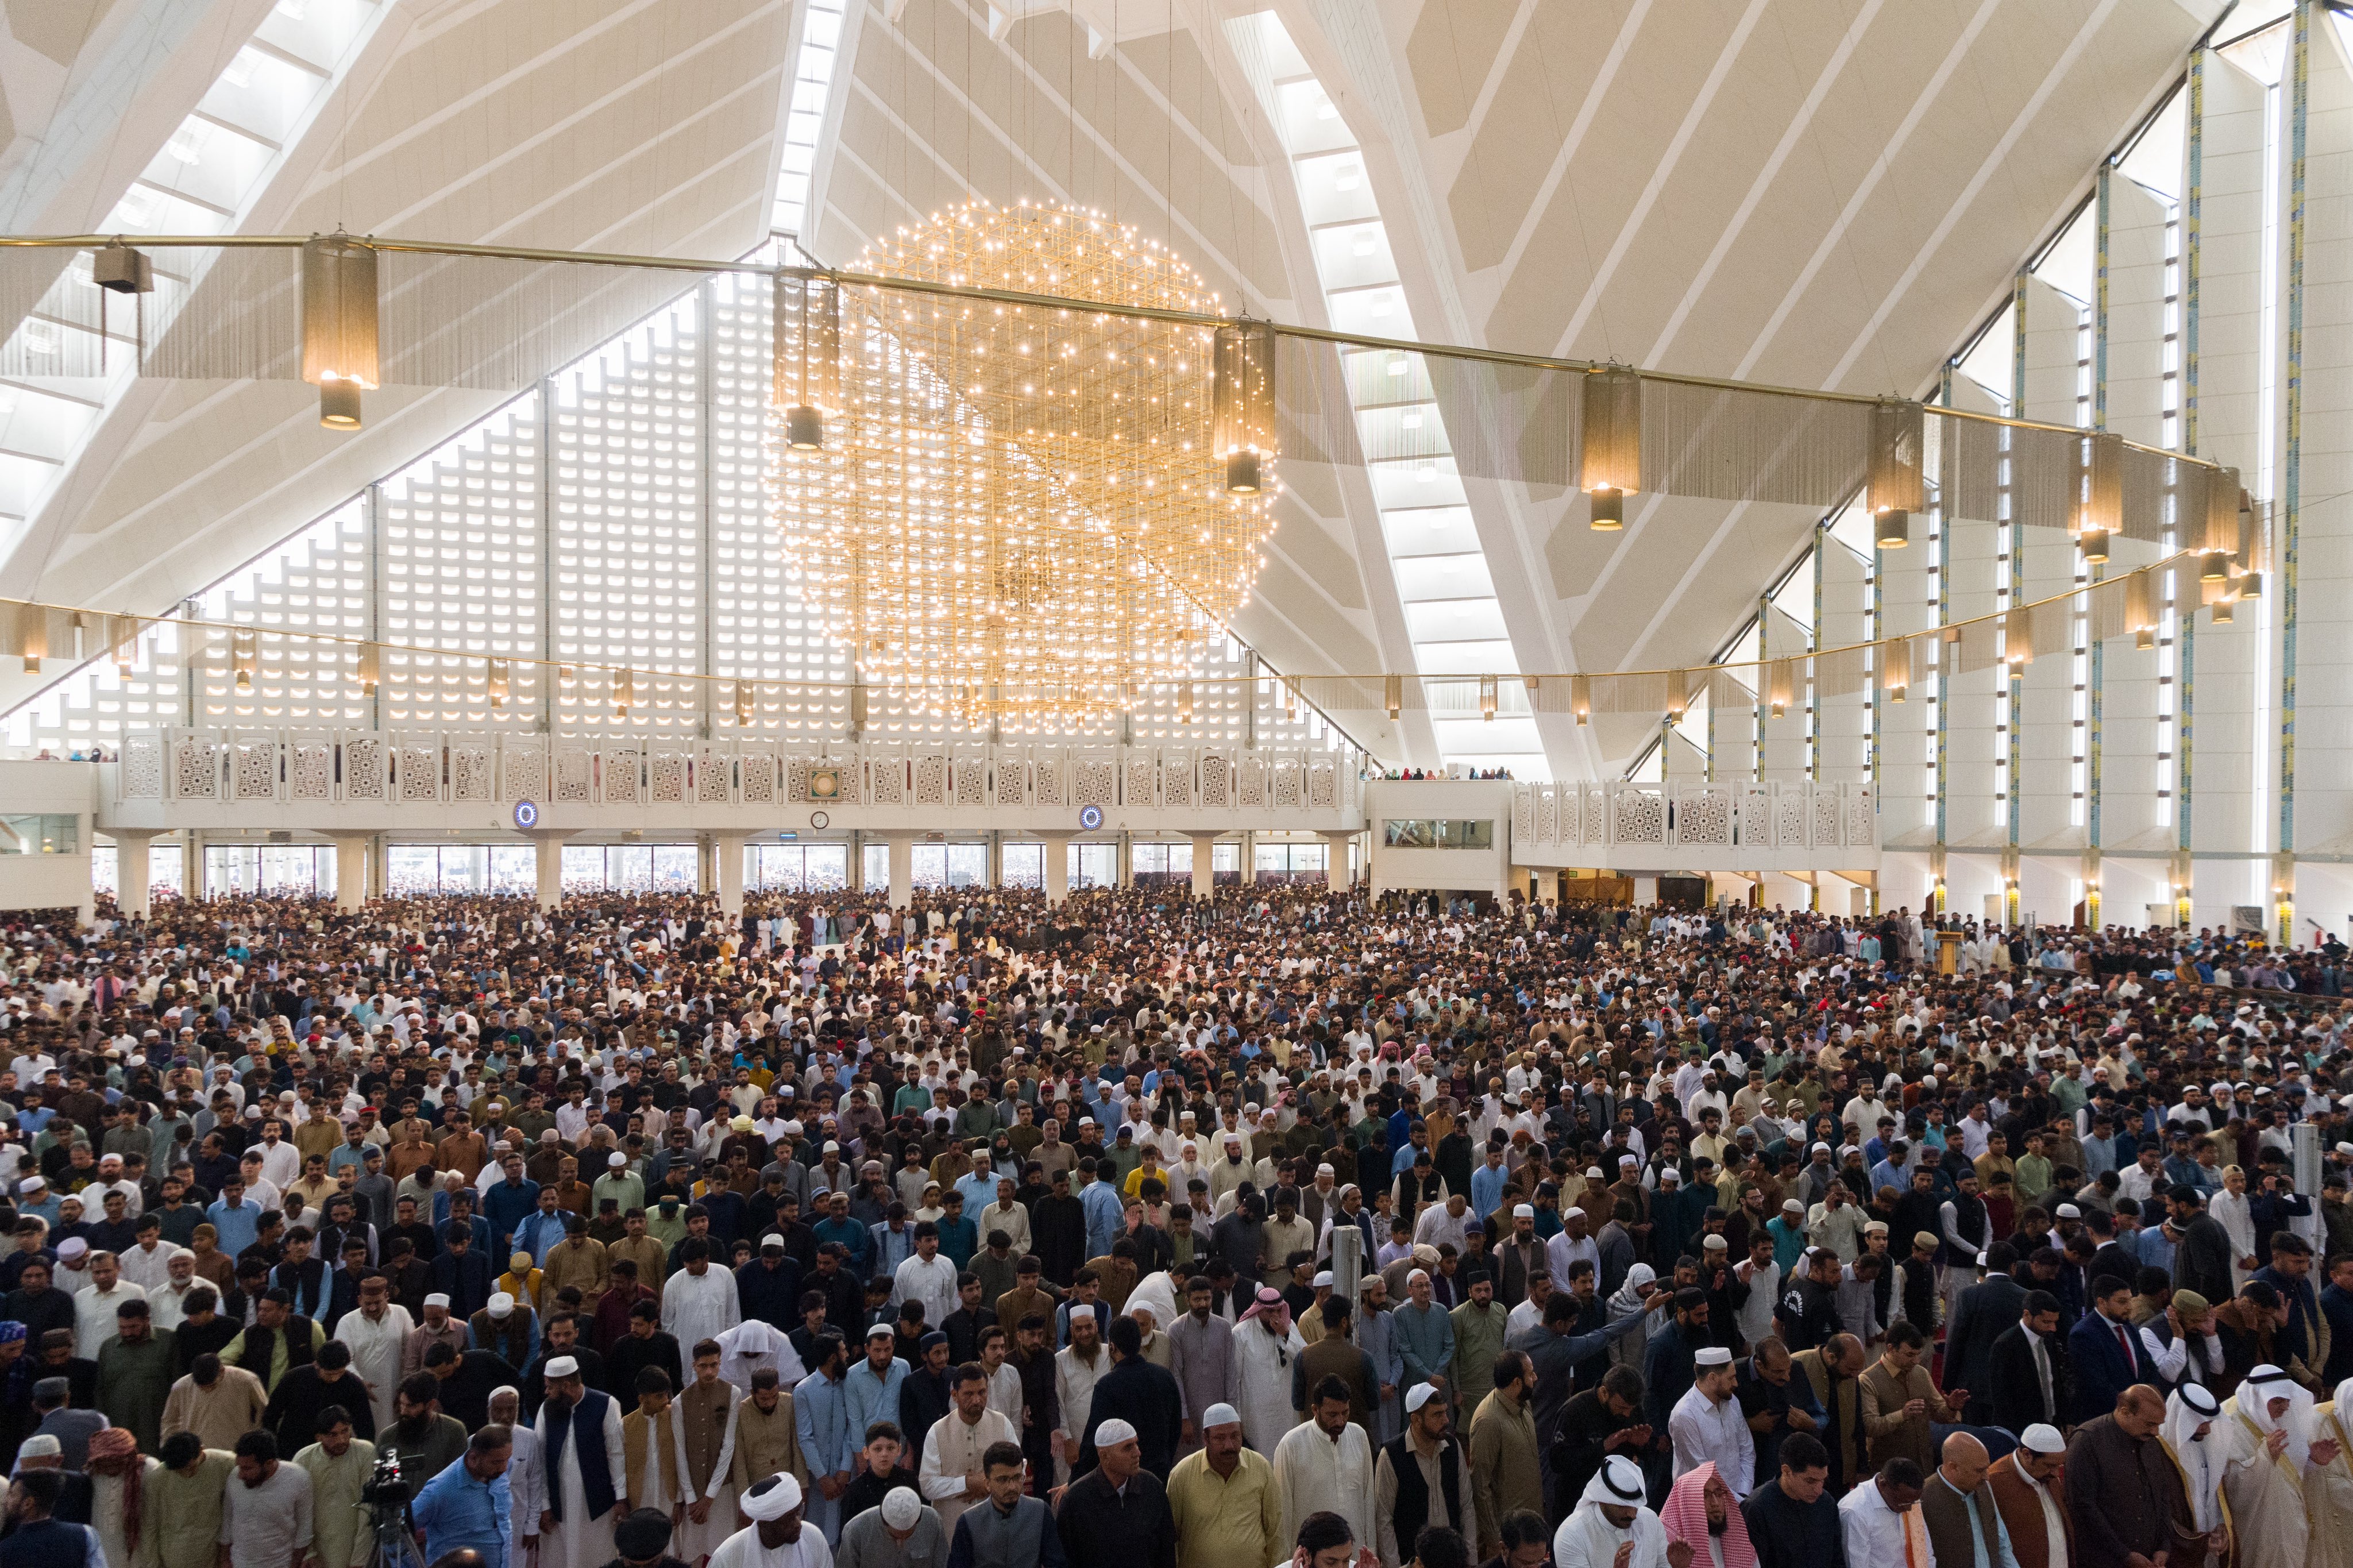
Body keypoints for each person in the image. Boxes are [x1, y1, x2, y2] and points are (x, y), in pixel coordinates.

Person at [2067, 1385, 2204, 1568]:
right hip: (2105, 1560)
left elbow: (2162, 1497)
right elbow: (2083, 1507)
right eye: (2150, 1424)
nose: (2156, 1432)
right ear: (2125, 1412)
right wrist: (2124, 1554)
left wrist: (2164, 1546)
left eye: (2159, 1425)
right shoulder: (2087, 1442)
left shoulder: (2152, 1443)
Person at [2224, 1365, 2337, 1568]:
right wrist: (2265, 1458)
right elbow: (2234, 1487)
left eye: (2287, 1401)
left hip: (2289, 1522)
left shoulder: (2282, 1420)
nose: (2285, 1407)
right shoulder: (2233, 1426)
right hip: (2258, 1526)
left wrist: (2311, 1460)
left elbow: (2291, 1474)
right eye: (2278, 1401)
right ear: (2258, 1398)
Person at [537, 1354, 629, 1568]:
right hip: (558, 1501)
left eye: (550, 1386)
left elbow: (617, 1454)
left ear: (567, 1385)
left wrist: (621, 1498)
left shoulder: (605, 1404)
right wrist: (544, 1506)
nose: (546, 1392)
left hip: (597, 1503)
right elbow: (540, 1460)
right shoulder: (547, 1409)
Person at [1167, 1399, 1283, 1568]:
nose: (1229, 1445)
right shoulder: (1182, 1475)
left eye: (1235, 1436)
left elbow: (1276, 1530)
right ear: (1205, 1438)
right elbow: (1170, 1538)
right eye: (1220, 1438)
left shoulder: (1260, 1467)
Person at [1375, 1382, 1477, 1568]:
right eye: (1437, 1415)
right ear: (1416, 1419)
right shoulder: (1391, 1455)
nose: (1446, 1420)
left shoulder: (1453, 1447)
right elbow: (1384, 1519)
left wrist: (1471, 1561)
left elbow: (1467, 1506)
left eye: (1445, 1412)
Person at [1054, 1417, 1175, 1568]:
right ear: (1104, 1456)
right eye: (1128, 1447)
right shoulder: (1076, 1500)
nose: (1137, 1453)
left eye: (1136, 1443)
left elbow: (1166, 1553)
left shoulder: (1153, 1488)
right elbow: (1065, 1559)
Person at [1277, 1382, 1378, 1556]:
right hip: (1311, 1558)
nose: (1340, 1421)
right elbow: (1283, 1511)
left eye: (1345, 1413)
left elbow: (1368, 1499)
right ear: (1315, 1410)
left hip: (1353, 1555)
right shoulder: (1291, 1444)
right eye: (1332, 1415)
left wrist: (1372, 1550)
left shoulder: (1359, 1436)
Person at [917, 1362, 1016, 1532]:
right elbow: (927, 1485)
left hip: (997, 1526)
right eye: (969, 1394)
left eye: (982, 1392)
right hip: (951, 1529)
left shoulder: (1002, 1424)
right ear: (955, 1395)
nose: (977, 1400)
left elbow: (1019, 1468)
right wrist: (966, 1483)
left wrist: (987, 1483)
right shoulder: (938, 1431)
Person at [1467, 1350, 1541, 1561]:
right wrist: (1493, 1539)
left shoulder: (1524, 1404)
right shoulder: (1488, 1420)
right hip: (1507, 1537)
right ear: (1517, 1382)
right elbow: (1480, 1485)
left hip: (1529, 1524)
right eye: (1531, 1374)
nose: (1535, 1378)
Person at [942, 1441, 1064, 1568]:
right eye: (1003, 1480)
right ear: (988, 1483)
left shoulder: (1040, 1512)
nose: (1012, 1487)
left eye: (1017, 1478)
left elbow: (1057, 1564)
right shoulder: (969, 1521)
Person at [412, 1424, 519, 1568]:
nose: (505, 1467)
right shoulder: (439, 1490)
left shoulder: (500, 1469)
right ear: (474, 1458)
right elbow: (397, 1534)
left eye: (507, 1459)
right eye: (497, 1462)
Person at [1857, 1323, 1955, 1473]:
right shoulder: (1868, 1379)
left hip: (1924, 1467)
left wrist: (1952, 1408)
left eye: (1918, 1354)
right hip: (1890, 1471)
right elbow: (1870, 1426)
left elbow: (1939, 1414)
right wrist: (1902, 1415)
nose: (1916, 1361)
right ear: (1890, 1349)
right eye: (1910, 1355)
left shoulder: (1921, 1373)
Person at [1740, 1432, 1842, 1568]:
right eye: (1810, 1481)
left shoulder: (1826, 1503)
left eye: (1822, 1480)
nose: (1818, 1490)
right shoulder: (1757, 1509)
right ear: (1787, 1471)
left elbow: (1837, 1559)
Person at [292, 1407, 377, 1568]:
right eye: (333, 1435)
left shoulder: (365, 1452)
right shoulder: (303, 1460)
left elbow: (367, 1508)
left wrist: (360, 1560)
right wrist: (308, 1553)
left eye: (345, 1431)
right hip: (318, 1553)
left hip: (354, 1547)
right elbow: (298, 1511)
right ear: (319, 1437)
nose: (341, 1440)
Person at [1918, 1434, 2017, 1568]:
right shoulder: (1923, 1498)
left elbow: (2002, 1542)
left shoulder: (1983, 1487)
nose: (1987, 1477)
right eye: (1979, 1471)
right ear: (1953, 1467)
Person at [1550, 1455, 1667, 1568]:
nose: (1632, 1514)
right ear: (1602, 1500)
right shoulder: (1572, 1534)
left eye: (1636, 1506)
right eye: (1623, 1507)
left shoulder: (1650, 1520)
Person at [220, 1431, 315, 1568]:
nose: (240, 1475)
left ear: (269, 1463)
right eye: (240, 1467)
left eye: (247, 1469)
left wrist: (295, 1565)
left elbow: (304, 1528)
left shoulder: (299, 1478)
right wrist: (224, 1560)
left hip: (280, 1563)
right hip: (239, 1563)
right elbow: (228, 1520)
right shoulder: (235, 1476)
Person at [1983, 1425, 2073, 1568]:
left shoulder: (2049, 1477)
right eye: (2050, 1466)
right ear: (2027, 1454)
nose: (2056, 1473)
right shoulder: (1995, 1481)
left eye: (2059, 1466)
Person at [1671, 1344, 1753, 1493]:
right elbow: (1702, 1471)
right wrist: (1737, 1502)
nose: (1736, 1384)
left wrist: (1744, 1493)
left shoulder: (1733, 1401)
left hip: (1740, 1496)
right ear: (1713, 1378)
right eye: (1731, 1378)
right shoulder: (1684, 1415)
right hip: (1703, 1500)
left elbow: (1747, 1450)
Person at [708, 1473, 831, 1568]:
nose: (798, 1524)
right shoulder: (727, 1557)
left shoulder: (813, 1538)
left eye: (798, 1512)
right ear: (764, 1522)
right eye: (789, 1518)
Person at [1660, 1461, 1754, 1568]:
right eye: (1706, 1496)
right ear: (1689, 1502)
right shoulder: (1669, 1545)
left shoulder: (1739, 1543)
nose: (1715, 1503)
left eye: (1719, 1494)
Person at [1834, 1459, 1926, 1568]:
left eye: (1914, 1502)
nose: (1909, 1509)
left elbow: (1925, 1553)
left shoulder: (1908, 1499)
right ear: (1883, 1485)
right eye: (1903, 1503)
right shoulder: (1856, 1512)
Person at [834, 1486, 944, 1568]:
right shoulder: (855, 1530)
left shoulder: (932, 1522)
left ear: (918, 1521)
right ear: (883, 1521)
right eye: (895, 1536)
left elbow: (942, 1563)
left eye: (908, 1536)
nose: (900, 1543)